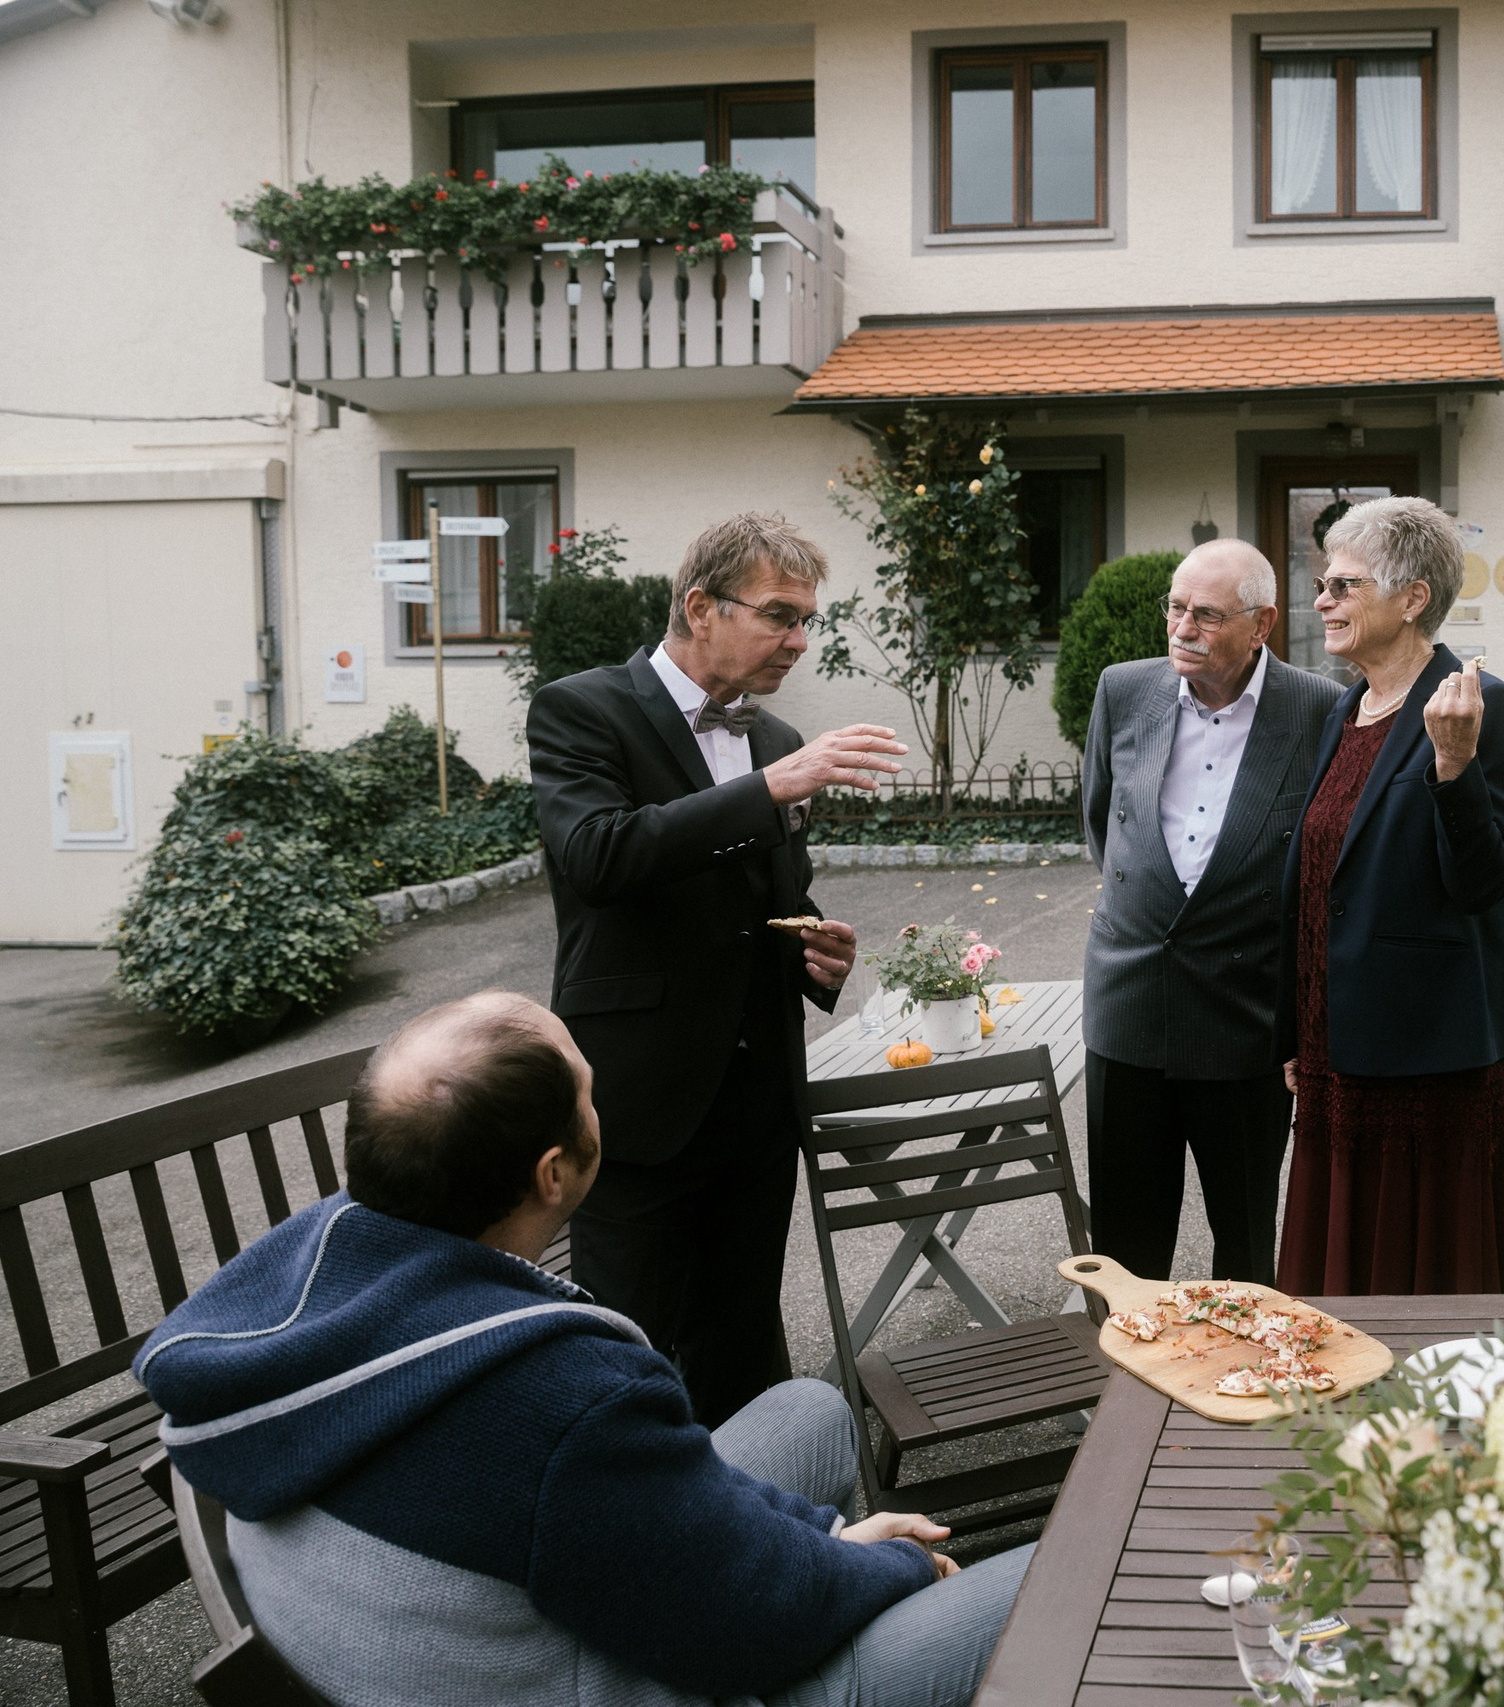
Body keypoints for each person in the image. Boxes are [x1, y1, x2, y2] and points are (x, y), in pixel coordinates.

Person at [136, 993, 1030, 1707]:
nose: (605, 1101)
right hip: (598, 1667)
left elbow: (628, 1511)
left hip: (429, 1638)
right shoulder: (557, 1398)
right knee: (1051, 1581)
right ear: (553, 1173)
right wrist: (886, 1565)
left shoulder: (307, 1275)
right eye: (590, 1089)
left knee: (809, 1410)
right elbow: (744, 1620)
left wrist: (828, 1547)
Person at [526, 512, 904, 1427]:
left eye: (807, 618)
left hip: (757, 1106)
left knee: (745, 1350)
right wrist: (769, 789)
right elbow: (599, 857)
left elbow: (769, 898)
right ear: (700, 606)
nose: (799, 640)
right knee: (632, 1354)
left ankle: (763, 1536)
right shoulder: (582, 709)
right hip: (642, 1105)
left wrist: (817, 949)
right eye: (779, 614)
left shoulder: (775, 740)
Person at [1275, 496, 1504, 1296]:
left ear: (1413, 598)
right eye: (1323, 584)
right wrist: (1297, 1023)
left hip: (1427, 1057)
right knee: (1340, 1269)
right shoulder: (1346, 707)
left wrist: (1453, 766)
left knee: (1417, 1277)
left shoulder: (1478, 706)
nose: (1323, 601)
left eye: (1344, 586)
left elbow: (1483, 883)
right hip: (1336, 1049)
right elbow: (1324, 880)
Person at [1081, 538, 1335, 1283]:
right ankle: (1131, 1390)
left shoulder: (1317, 709)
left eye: (1207, 614)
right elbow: (1105, 825)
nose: (1182, 627)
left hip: (1245, 1015)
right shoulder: (1123, 691)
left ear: (1261, 625)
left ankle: (1241, 1390)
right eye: (1176, 607)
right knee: (1126, 1247)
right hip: (1129, 1008)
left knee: (1249, 1243)